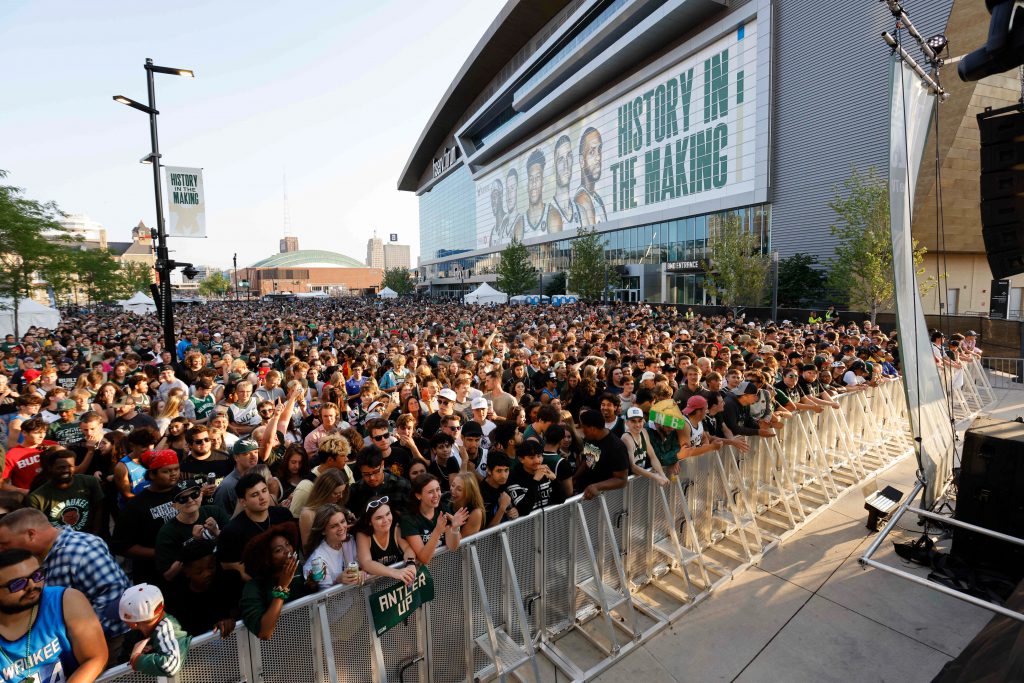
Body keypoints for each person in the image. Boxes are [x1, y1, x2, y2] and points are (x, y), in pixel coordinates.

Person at [0, 508, 132, 649]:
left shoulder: (81, 551)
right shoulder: (39, 555)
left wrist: (74, 639)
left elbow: (114, 598)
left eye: (5, 544)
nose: (1, 549)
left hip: (106, 644)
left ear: (31, 534)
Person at [0, 548, 108, 682]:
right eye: (18, 584)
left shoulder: (66, 600)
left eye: (37, 575)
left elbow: (95, 657)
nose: (32, 585)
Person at [239, 523, 312, 640]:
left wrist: (313, 583)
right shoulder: (253, 587)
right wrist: (282, 586)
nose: (287, 551)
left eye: (287, 544)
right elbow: (264, 632)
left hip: (311, 637)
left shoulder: (300, 569)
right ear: (266, 558)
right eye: (278, 550)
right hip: (277, 651)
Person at [218, 473, 295, 579]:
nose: (262, 497)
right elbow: (230, 567)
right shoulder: (232, 532)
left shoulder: (283, 515)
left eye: (264, 490)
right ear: (243, 502)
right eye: (255, 495)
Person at [155, 483, 230, 583]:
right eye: (183, 499)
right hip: (190, 584)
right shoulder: (167, 532)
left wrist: (216, 532)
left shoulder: (215, 512)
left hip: (222, 572)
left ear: (201, 495)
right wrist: (193, 543)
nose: (190, 500)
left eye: (195, 494)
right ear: (174, 505)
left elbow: (236, 543)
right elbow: (168, 575)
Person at [119, 583, 192, 677]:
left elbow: (171, 666)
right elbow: (121, 659)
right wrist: (131, 654)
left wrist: (137, 658)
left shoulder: (168, 628)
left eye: (125, 621)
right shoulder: (134, 634)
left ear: (134, 624)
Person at [27, 447, 104, 534]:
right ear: (50, 468)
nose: (66, 470)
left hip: (88, 535)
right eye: (61, 467)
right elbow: (37, 526)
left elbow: (99, 508)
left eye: (70, 466)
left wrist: (95, 534)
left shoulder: (89, 482)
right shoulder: (37, 497)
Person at [401, 474, 468, 564]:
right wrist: (437, 531)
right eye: (430, 492)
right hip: (423, 573)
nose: (436, 495)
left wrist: (455, 528)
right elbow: (424, 559)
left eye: (438, 489)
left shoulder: (443, 509)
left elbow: (452, 547)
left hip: (445, 566)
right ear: (418, 495)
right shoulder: (408, 519)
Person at [353, 497, 418, 583]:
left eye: (388, 514)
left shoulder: (395, 528)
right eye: (379, 518)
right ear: (369, 521)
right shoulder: (363, 535)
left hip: (400, 581)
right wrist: (394, 572)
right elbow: (366, 563)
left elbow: (408, 548)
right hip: (375, 586)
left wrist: (410, 564)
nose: (386, 520)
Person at [302, 503, 364, 588]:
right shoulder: (317, 559)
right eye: (334, 526)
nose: (341, 528)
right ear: (323, 531)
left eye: (342, 521)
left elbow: (362, 565)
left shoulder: (350, 540)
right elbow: (322, 596)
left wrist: (363, 572)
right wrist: (337, 580)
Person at [576, 409, 629, 500]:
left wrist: (596, 486)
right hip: (586, 492)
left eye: (583, 427)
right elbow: (587, 459)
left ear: (592, 429)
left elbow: (622, 480)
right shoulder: (590, 438)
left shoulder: (616, 447)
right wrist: (575, 477)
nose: (582, 430)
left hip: (605, 498)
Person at [348, 448, 412, 518]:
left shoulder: (402, 485)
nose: (372, 478)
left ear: (382, 464)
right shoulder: (355, 490)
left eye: (375, 472)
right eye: (366, 474)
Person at [297, 469, 349, 548]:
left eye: (343, 492)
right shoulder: (308, 514)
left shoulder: (338, 505)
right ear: (324, 491)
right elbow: (307, 548)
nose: (341, 496)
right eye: (336, 493)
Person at [1, 417, 52, 494]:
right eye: (37, 432)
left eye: (44, 432)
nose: (42, 436)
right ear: (24, 433)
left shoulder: (52, 445)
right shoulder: (11, 455)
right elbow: (2, 484)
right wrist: (24, 491)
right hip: (29, 498)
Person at [213, 438, 261, 514]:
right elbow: (221, 517)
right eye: (247, 453)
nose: (253, 456)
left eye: (256, 452)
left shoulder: (260, 476)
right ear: (236, 457)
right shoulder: (227, 486)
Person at [449, 472, 484, 538]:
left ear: (468, 493)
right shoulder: (446, 498)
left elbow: (463, 543)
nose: (453, 490)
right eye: (453, 485)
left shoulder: (476, 513)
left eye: (459, 489)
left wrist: (454, 523)